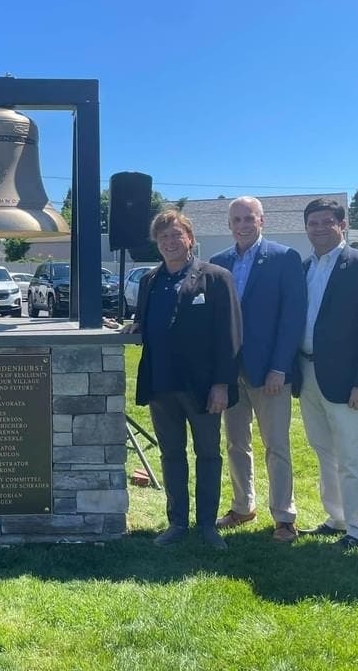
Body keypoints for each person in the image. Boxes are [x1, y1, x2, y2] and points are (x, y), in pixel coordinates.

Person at [131, 209, 241, 550]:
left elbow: (230, 335)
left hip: (204, 388)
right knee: (171, 455)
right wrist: (133, 327)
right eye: (163, 237)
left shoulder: (216, 277)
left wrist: (222, 384)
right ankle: (177, 522)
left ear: (190, 239)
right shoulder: (150, 280)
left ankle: (207, 525)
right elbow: (144, 322)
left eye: (176, 235)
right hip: (161, 385)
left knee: (208, 455)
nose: (169, 242)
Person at [295, 198, 358, 549]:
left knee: (353, 456)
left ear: (342, 225)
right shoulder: (305, 267)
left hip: (350, 380)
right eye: (313, 223)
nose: (319, 228)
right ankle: (336, 518)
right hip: (307, 373)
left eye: (326, 222)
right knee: (324, 451)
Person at [210, 196, 306, 542]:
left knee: (276, 445)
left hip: (270, 373)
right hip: (231, 372)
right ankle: (242, 506)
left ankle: (284, 516)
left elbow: (292, 318)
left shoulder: (284, 258)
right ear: (229, 224)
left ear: (262, 220)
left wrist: (280, 367)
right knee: (236, 443)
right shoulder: (218, 263)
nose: (242, 224)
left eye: (249, 218)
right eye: (236, 219)